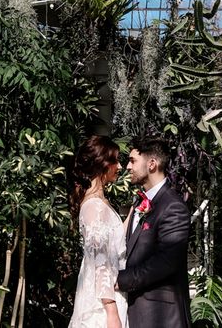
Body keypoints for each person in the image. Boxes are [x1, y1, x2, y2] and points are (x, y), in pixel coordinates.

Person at [116, 137, 191, 328]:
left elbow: (166, 262)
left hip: (161, 316)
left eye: (133, 161)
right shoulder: (139, 203)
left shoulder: (173, 206)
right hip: (134, 311)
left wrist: (120, 280)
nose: (127, 166)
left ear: (152, 164)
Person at [69, 135, 129, 328]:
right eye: (115, 161)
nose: (119, 167)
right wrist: (111, 312)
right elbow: (101, 262)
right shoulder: (94, 207)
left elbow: (114, 238)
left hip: (111, 293)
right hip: (103, 302)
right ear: (102, 164)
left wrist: (137, 212)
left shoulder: (98, 203)